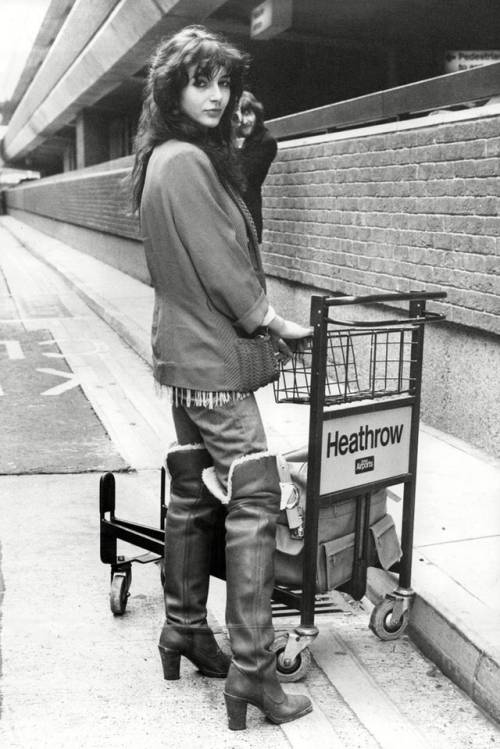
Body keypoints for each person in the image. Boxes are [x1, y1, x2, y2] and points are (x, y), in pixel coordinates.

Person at [131, 26, 312, 731]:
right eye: (200, 81)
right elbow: (221, 262)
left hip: (184, 355)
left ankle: (184, 628)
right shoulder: (187, 165)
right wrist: (271, 318)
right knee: (255, 499)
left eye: (223, 82)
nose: (216, 95)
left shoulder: (162, 158)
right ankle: (253, 669)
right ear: (171, 87)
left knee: (192, 494)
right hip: (212, 357)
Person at [233, 90, 277, 242]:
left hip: (247, 218)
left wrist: (232, 139)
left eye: (248, 113)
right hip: (230, 218)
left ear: (257, 113)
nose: (245, 120)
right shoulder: (242, 140)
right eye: (240, 115)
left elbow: (241, 176)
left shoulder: (266, 141)